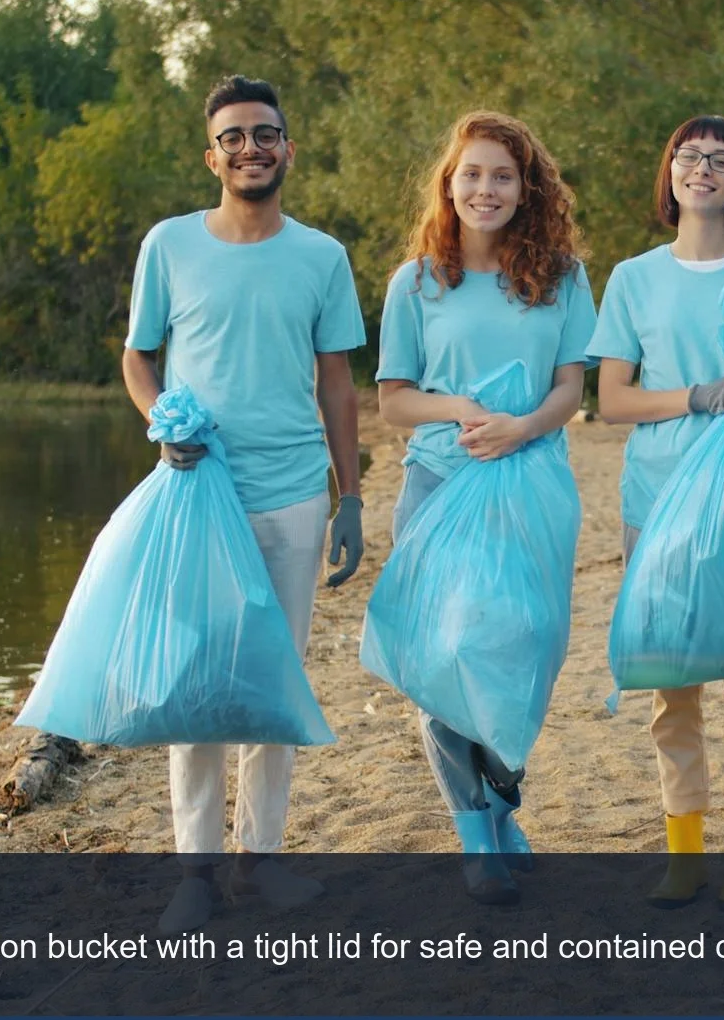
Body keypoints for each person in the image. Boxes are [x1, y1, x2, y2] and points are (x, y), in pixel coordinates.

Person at [123, 75, 367, 934]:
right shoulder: (169, 244)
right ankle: (194, 873)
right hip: (197, 495)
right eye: (233, 137)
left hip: (294, 495)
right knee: (197, 687)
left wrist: (352, 498)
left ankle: (259, 866)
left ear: (288, 149)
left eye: (265, 134)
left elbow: (338, 386)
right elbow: (138, 358)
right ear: (211, 154)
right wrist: (161, 420)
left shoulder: (322, 257)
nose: (250, 148)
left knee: (273, 683)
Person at [588, 115, 724, 916]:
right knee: (670, 680)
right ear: (670, 175)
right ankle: (684, 853)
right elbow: (611, 399)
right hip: (657, 495)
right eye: (689, 157)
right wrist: (696, 395)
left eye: (721, 160)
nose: (703, 170)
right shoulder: (633, 277)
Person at [375, 109, 595, 906]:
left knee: (524, 654)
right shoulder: (417, 281)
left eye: (503, 174)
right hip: (437, 489)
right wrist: (460, 410)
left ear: (526, 187)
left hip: (533, 487)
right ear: (449, 182)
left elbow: (572, 387)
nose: (486, 188)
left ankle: (504, 798)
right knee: (442, 666)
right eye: (472, 173)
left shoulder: (564, 277)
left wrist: (523, 426)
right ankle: (477, 832)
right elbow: (395, 402)